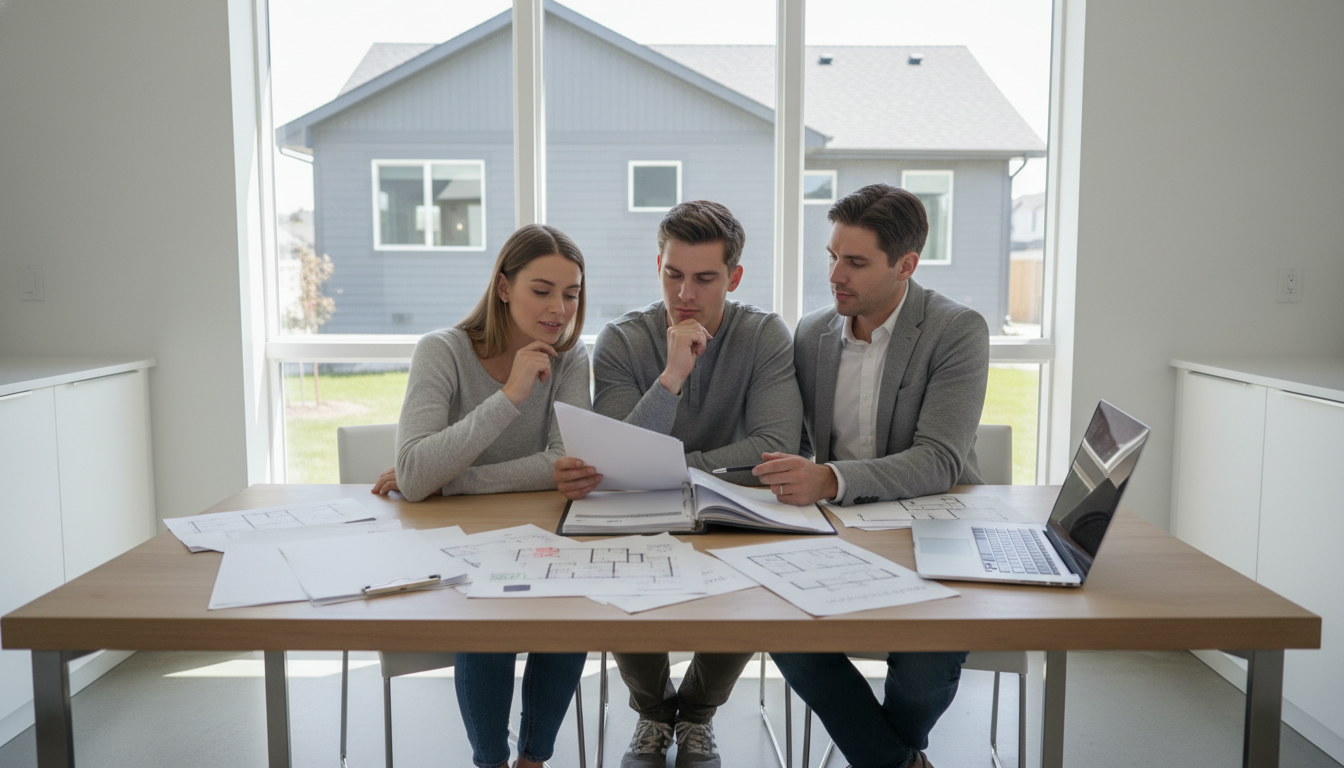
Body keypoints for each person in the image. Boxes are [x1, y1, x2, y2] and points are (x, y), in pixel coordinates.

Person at [553, 200, 803, 768]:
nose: (685, 294)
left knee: (756, 564)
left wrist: (664, 464)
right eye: (673, 274)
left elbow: (774, 446)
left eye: (705, 278)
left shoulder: (763, 335)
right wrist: (673, 376)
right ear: (658, 266)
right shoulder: (622, 339)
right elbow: (613, 458)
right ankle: (651, 710)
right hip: (636, 508)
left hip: (728, 507)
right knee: (613, 562)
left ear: (734, 278)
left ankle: (695, 714)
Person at [756, 183, 990, 768]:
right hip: (834, 535)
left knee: (923, 676)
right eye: (832, 256)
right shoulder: (812, 334)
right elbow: (795, 438)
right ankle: (900, 762)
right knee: (781, 631)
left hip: (932, 529)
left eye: (855, 262)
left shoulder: (955, 331)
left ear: (905, 265)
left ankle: (885, 756)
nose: (836, 273)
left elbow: (940, 459)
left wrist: (830, 478)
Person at [390, 223, 593, 768]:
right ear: (504, 287)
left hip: (541, 534)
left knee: (568, 612)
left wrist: (451, 478)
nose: (558, 309)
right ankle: (490, 761)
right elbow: (413, 472)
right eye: (541, 290)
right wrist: (511, 394)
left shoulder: (573, 360)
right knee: (486, 613)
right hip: (453, 545)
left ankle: (534, 759)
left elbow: (561, 460)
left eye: (571, 295)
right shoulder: (442, 352)